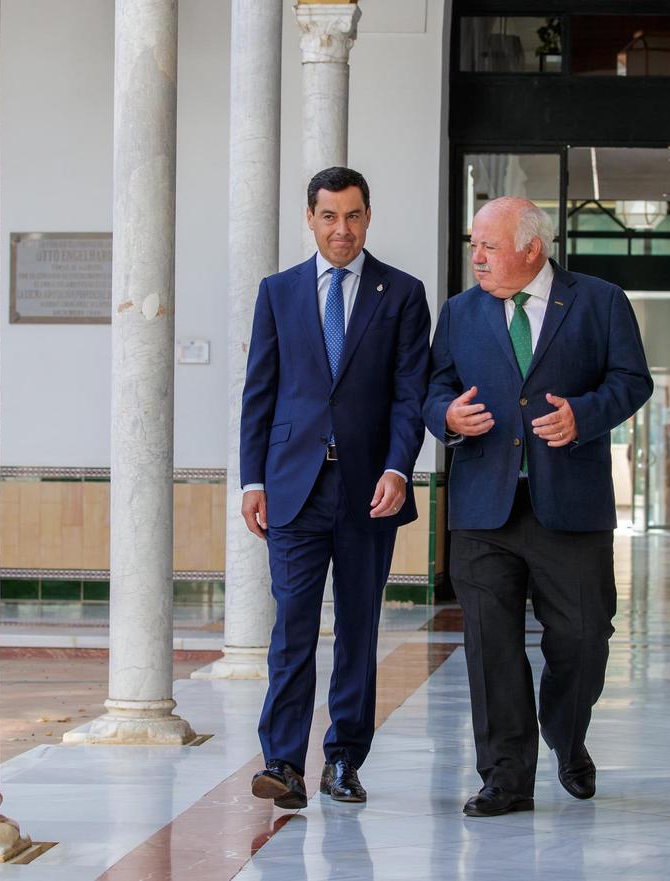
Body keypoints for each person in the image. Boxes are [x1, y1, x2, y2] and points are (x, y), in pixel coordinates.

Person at [423, 196, 652, 817]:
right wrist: (444, 415)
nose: (477, 257)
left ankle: (565, 734)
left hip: (570, 504)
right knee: (490, 647)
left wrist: (585, 416)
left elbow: (633, 381)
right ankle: (506, 776)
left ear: (533, 248)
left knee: (583, 639)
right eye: (474, 245)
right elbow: (434, 385)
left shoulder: (599, 301)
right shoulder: (459, 312)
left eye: (489, 246)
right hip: (482, 507)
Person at [241, 167, 431, 809]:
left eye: (352, 216)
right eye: (329, 216)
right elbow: (259, 393)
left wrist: (399, 468)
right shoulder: (279, 291)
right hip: (293, 488)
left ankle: (344, 760)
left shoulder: (402, 293)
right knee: (292, 627)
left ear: (368, 217)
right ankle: (284, 762)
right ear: (311, 218)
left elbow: (410, 396)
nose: (341, 229)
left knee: (358, 628)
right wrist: (252, 479)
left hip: (368, 490)